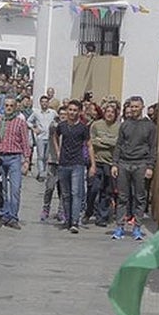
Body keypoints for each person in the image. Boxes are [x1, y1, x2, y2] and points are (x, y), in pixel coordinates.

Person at [115, 96, 157, 239]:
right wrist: (115, 163)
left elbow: (153, 147)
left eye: (136, 107)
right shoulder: (125, 124)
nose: (133, 109)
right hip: (124, 163)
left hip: (141, 164)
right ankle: (120, 226)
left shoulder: (150, 126)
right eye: (131, 106)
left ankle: (137, 227)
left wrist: (150, 166)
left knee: (140, 197)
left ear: (142, 107)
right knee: (122, 197)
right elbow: (119, 145)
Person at [52, 100, 95, 234]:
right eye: (70, 110)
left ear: (79, 112)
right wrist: (58, 151)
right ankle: (68, 219)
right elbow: (55, 136)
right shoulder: (62, 125)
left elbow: (89, 145)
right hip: (64, 163)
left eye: (75, 110)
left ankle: (75, 221)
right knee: (65, 194)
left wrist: (93, 164)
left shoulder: (83, 128)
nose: (72, 112)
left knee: (76, 193)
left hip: (77, 163)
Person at [0, 96, 31, 229]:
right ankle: (4, 214)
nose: (8, 108)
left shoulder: (20, 122)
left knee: (15, 188)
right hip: (0, 157)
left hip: (14, 158)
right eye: (6, 105)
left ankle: (13, 216)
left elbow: (25, 142)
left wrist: (27, 160)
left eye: (11, 106)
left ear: (15, 107)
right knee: (1, 189)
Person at [88, 103, 120, 227]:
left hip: (110, 163)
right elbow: (92, 141)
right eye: (108, 111)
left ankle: (102, 217)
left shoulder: (119, 127)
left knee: (107, 192)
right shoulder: (96, 125)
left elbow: (117, 143)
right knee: (94, 188)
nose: (110, 114)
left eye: (112, 112)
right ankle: (89, 210)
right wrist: (108, 142)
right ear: (104, 112)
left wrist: (102, 140)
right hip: (96, 161)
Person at [28, 94, 58, 180]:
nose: (44, 104)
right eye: (42, 102)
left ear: (48, 103)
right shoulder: (36, 113)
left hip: (50, 137)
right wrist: (34, 128)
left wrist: (55, 126)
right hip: (40, 137)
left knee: (46, 156)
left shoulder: (52, 112)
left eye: (46, 102)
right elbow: (28, 121)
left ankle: (44, 171)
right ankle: (41, 173)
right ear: (40, 103)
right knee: (40, 156)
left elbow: (58, 120)